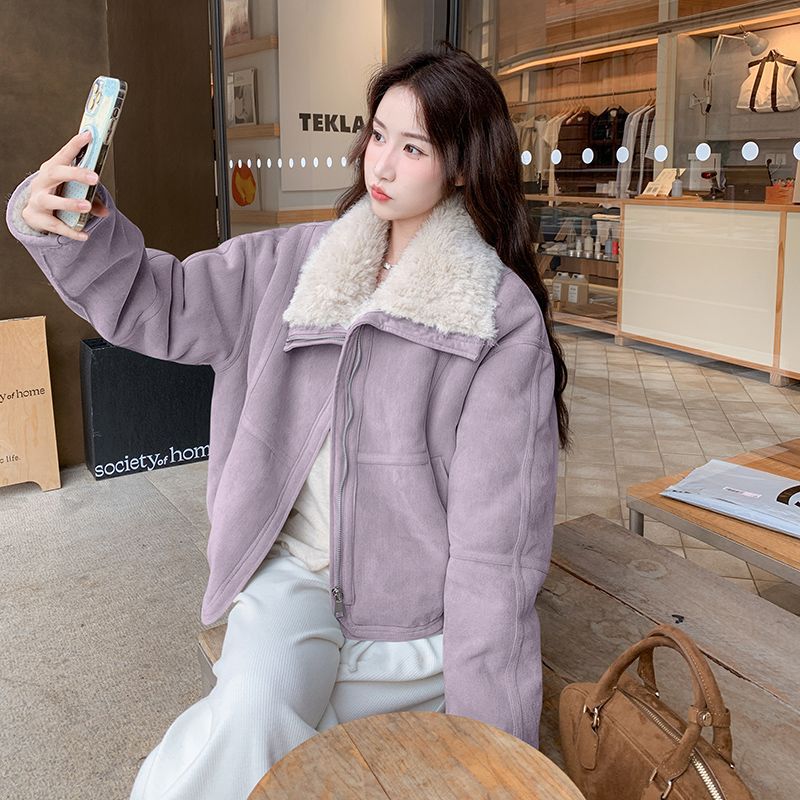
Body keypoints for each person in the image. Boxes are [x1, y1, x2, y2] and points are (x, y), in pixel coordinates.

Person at [6, 41, 569, 799]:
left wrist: (496, 760)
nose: (381, 164)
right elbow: (160, 301)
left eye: (413, 148)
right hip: (289, 576)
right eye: (378, 135)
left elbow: (496, 553)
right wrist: (65, 224)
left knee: (324, 750)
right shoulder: (292, 263)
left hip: (415, 617)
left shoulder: (496, 317)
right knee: (253, 710)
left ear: (463, 166)